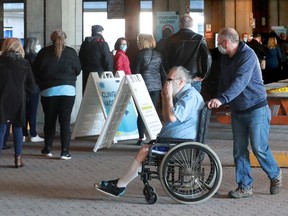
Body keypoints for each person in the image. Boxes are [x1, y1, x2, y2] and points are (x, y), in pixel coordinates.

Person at [94, 66, 205, 197]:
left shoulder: (190, 96)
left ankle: (120, 185)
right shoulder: (184, 94)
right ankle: (120, 184)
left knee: (144, 151)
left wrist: (168, 96)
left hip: (181, 145)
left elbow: (171, 117)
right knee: (146, 150)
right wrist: (164, 97)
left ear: (181, 81)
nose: (166, 83)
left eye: (170, 80)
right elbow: (166, 115)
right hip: (176, 141)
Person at [207, 27, 282, 198]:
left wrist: (223, 98)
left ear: (226, 42)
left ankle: (275, 174)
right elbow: (224, 80)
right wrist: (219, 98)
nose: (218, 46)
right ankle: (245, 186)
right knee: (239, 150)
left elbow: (240, 82)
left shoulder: (247, 55)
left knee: (259, 148)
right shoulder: (226, 58)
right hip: (238, 110)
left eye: (219, 43)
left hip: (256, 109)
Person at [34, 30, 81, 160]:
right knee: (65, 122)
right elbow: (78, 69)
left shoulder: (44, 52)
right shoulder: (71, 52)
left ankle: (47, 148)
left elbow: (36, 70)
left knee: (49, 120)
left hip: (48, 90)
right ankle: (65, 152)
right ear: (65, 38)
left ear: (51, 38)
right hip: (68, 90)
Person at [0, 38, 35, 168]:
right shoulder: (24, 63)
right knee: (18, 128)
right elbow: (31, 85)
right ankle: (18, 159)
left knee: (1, 129)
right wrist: (26, 97)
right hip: (19, 99)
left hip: (2, 99)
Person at [133, 33, 166, 146]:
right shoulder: (159, 55)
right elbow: (162, 72)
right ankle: (154, 135)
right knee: (151, 111)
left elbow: (135, 72)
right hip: (156, 87)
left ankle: (141, 138)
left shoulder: (140, 55)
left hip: (143, 86)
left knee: (141, 112)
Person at [166, 14, 212, 93]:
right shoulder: (199, 38)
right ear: (192, 25)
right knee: (194, 102)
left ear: (180, 24)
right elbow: (207, 57)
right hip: (194, 78)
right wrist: (203, 75)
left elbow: (166, 59)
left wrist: (169, 76)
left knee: (177, 103)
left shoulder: (171, 39)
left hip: (176, 78)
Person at [79, 25, 113, 93]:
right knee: (100, 96)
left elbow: (80, 58)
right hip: (100, 75)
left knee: (87, 95)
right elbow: (107, 61)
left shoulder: (85, 44)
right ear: (100, 33)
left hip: (86, 74)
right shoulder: (102, 44)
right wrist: (110, 73)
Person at [22, 37, 44, 142]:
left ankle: (23, 133)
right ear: (33, 45)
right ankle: (33, 134)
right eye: (37, 44)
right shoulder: (35, 58)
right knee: (32, 111)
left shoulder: (21, 57)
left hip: (22, 88)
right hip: (33, 87)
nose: (38, 46)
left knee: (24, 111)